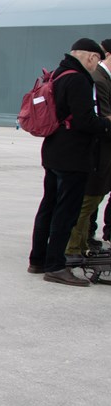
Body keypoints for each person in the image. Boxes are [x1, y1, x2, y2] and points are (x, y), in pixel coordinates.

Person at [29, 38, 111, 286]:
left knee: (49, 206)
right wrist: (107, 125)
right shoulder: (78, 79)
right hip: (73, 155)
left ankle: (38, 260)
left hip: (54, 149)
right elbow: (84, 121)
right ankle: (55, 266)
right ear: (92, 57)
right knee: (66, 211)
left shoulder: (58, 73)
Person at [67, 38, 111, 256]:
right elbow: (92, 119)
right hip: (88, 152)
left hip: (91, 153)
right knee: (86, 202)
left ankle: (81, 244)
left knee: (90, 201)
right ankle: (73, 249)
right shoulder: (92, 79)